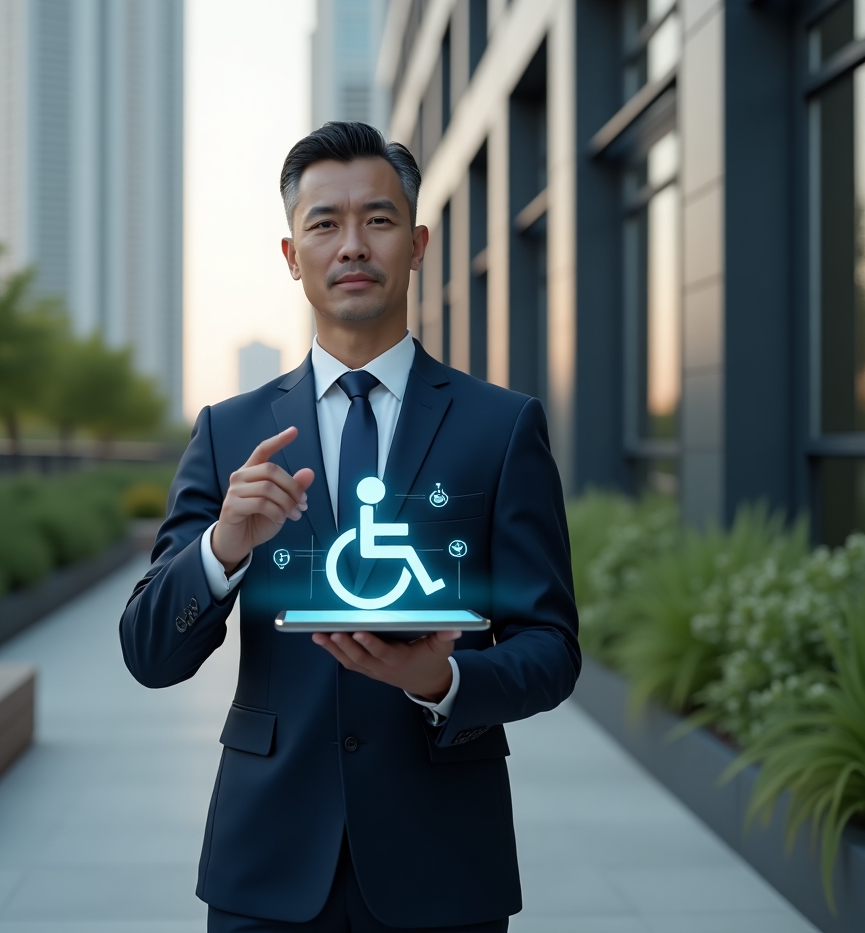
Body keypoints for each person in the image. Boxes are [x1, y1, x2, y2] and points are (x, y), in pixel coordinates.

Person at [120, 122, 580, 933]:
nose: (352, 245)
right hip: (267, 860)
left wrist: (443, 684)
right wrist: (223, 547)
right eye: (323, 224)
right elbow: (150, 655)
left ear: (417, 242)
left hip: (443, 859)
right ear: (293, 256)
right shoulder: (228, 432)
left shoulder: (501, 427)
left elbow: (552, 647)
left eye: (378, 218)